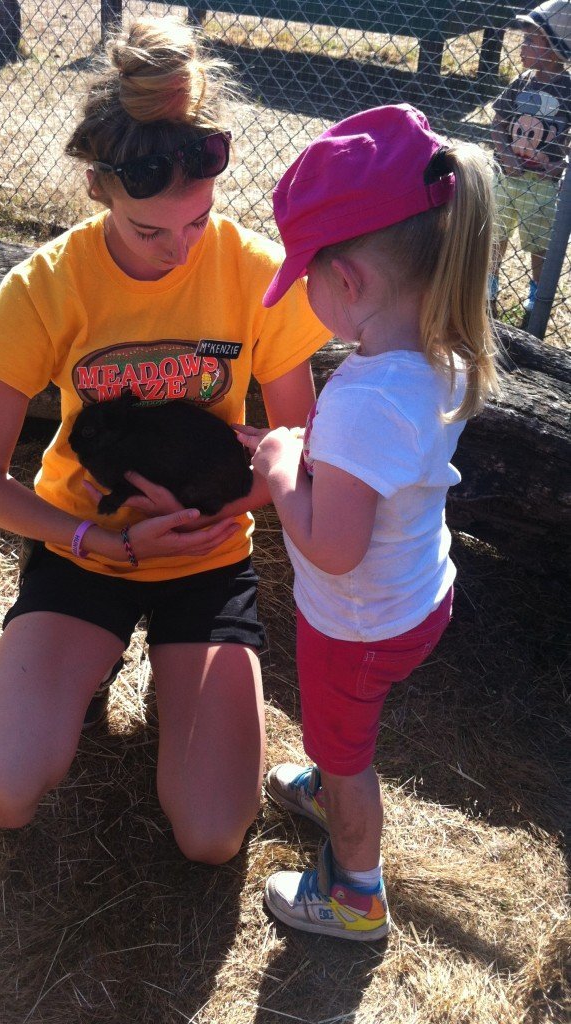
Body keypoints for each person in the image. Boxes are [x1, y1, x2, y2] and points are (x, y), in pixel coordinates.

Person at [0, 16, 331, 865]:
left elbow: (295, 446)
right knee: (1, 795)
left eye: (197, 222)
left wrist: (208, 514)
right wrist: (100, 536)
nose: (179, 251)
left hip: (207, 552)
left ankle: (176, 672)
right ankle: (89, 669)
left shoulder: (254, 272)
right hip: (82, 549)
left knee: (211, 836)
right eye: (148, 230)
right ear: (100, 187)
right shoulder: (42, 287)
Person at [235, 104, 499, 939]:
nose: (300, 290)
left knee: (346, 748)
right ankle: (329, 772)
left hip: (356, 621)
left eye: (306, 273)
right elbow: (377, 473)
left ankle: (355, 890)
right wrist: (313, 456)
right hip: (419, 596)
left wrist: (282, 478)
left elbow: (334, 547)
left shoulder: (361, 399)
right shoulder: (438, 352)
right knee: (341, 729)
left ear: (347, 283)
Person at [491, 0, 571, 313]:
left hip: (542, 183)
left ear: (554, 48)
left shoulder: (567, 90)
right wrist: (504, 153)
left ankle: (537, 296)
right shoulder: (520, 83)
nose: (521, 48)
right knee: (495, 233)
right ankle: (489, 287)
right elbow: (498, 120)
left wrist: (560, 163)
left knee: (540, 243)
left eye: (530, 41)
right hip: (507, 176)